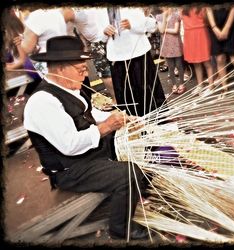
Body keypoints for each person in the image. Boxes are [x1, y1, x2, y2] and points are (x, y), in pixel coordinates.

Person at [23, 36, 149, 240]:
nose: (85, 74)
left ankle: (136, 189)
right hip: (70, 168)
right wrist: (107, 127)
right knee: (129, 173)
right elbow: (70, 146)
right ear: (60, 68)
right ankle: (120, 227)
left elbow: (90, 115)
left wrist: (121, 119)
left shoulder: (70, 87)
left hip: (87, 154)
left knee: (140, 142)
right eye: (80, 69)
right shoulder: (42, 103)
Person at [103, 7, 166, 117]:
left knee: (147, 94)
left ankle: (157, 123)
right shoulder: (100, 10)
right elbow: (95, 35)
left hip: (139, 54)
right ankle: (134, 128)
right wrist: (104, 32)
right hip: (116, 58)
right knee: (126, 97)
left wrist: (132, 25)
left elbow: (151, 26)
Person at [206, 5, 234, 100]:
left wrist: (227, 27)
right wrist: (214, 27)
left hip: (231, 24)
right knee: (219, 58)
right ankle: (224, 89)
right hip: (215, 25)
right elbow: (208, 9)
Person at [181, 6, 215, 96]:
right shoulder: (183, 8)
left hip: (200, 33)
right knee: (196, 62)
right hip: (189, 34)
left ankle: (211, 86)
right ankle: (200, 85)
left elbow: (207, 20)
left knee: (206, 61)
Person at [156, 7, 185, 95]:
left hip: (176, 44)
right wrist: (164, 18)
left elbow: (176, 30)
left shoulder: (176, 16)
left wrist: (164, 30)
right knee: (171, 67)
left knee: (179, 65)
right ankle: (174, 84)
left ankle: (181, 83)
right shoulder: (159, 17)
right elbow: (160, 30)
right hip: (166, 45)